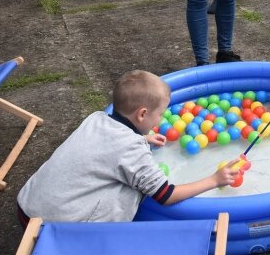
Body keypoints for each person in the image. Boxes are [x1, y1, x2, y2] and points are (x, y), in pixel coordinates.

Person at [16, 70, 239, 224]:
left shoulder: (96, 118)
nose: (161, 120)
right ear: (142, 114)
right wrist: (214, 180)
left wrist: (144, 139)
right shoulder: (132, 150)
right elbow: (165, 195)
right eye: (160, 114)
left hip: (28, 207)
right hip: (57, 226)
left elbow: (105, 146)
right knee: (134, 191)